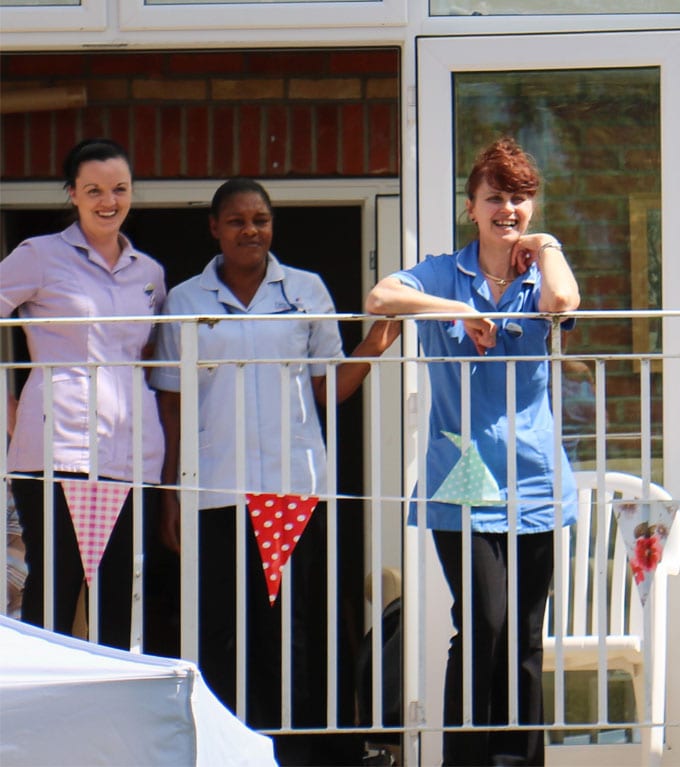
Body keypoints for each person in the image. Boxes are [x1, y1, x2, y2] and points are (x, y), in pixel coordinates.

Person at [151, 178, 400, 764]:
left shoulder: (306, 290)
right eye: (236, 220)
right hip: (212, 488)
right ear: (214, 228)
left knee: (293, 630)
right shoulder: (186, 300)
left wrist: (375, 344)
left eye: (260, 219)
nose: (250, 231)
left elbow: (327, 389)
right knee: (221, 631)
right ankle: (228, 750)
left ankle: (296, 754)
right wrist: (168, 493)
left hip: (293, 486)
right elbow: (170, 399)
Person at [366, 137, 581, 766]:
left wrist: (545, 248)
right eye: (495, 198)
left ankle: (520, 762)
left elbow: (564, 304)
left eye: (519, 199)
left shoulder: (540, 274)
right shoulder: (445, 271)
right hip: (462, 475)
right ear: (472, 207)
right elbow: (381, 298)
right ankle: (465, 759)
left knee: (524, 635)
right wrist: (457, 308)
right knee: (484, 622)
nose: (507, 209)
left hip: (536, 476)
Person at [1, 137, 178, 653]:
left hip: (131, 453)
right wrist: (9, 407)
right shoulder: (40, 255)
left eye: (119, 189)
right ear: (72, 194)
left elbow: (150, 356)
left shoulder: (149, 273)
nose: (109, 201)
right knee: (54, 591)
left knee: (119, 595)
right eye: (94, 190)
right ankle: (46, 714)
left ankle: (106, 723)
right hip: (58, 450)